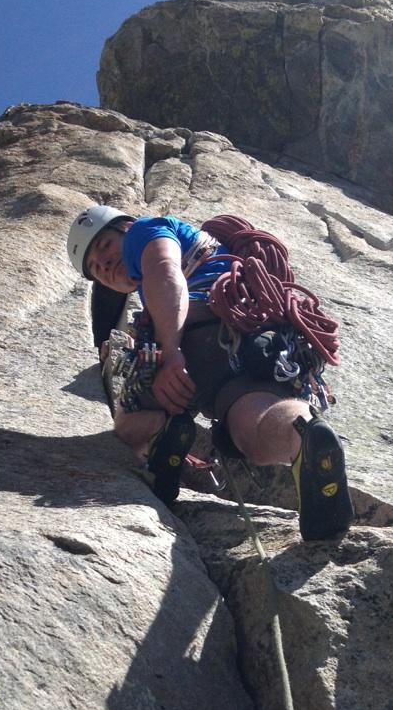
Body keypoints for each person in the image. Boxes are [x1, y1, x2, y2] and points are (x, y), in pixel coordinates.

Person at [67, 206, 354, 541]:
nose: (104, 264)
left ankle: (165, 432)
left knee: (130, 424)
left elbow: (164, 271)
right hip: (260, 340)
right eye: (95, 269)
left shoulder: (144, 231)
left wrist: (171, 351)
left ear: (125, 227)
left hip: (201, 335)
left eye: (103, 246)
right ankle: (303, 437)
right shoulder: (220, 257)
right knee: (255, 434)